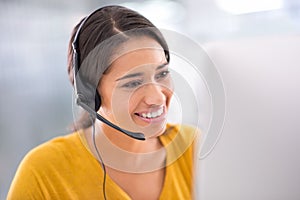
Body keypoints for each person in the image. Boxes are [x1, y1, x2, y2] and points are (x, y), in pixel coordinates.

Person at [7, 5, 199, 199]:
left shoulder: (196, 149)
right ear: (91, 93)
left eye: (162, 73)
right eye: (133, 83)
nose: (157, 97)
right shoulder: (43, 172)